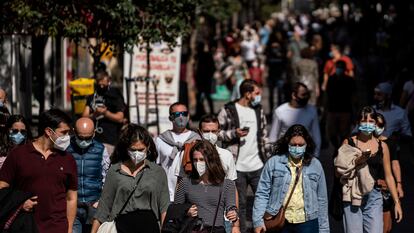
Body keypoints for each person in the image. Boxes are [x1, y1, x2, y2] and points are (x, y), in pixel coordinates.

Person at [0, 109, 77, 233]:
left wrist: (68, 229)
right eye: (64, 132)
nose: (67, 137)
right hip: (25, 226)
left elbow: (71, 197)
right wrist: (19, 203)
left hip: (57, 228)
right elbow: (2, 188)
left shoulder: (68, 159)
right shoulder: (18, 155)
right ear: (48, 131)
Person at [91, 124, 169, 233]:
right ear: (126, 148)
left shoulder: (157, 172)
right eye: (133, 150)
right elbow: (104, 207)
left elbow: (164, 208)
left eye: (141, 150)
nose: (137, 154)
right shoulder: (115, 171)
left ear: (148, 147)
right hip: (121, 227)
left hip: (149, 227)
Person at [253, 124, 329, 233]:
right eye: (293, 144)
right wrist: (258, 221)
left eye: (300, 145)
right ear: (287, 143)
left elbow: (322, 199)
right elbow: (262, 193)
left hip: (308, 222)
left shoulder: (315, 165)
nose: (297, 148)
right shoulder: (274, 162)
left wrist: (324, 229)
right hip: (280, 220)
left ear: (307, 144)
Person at [339, 106, 402, 233]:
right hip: (352, 195)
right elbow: (338, 171)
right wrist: (356, 162)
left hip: (374, 197)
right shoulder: (349, 142)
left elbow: (389, 175)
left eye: (371, 121)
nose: (367, 124)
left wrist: (396, 202)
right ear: (358, 122)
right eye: (363, 121)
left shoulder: (383, 146)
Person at [218, 79, 268, 232]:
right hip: (237, 167)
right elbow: (216, 132)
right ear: (247, 94)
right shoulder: (228, 110)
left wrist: (270, 155)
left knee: (262, 202)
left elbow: (264, 135)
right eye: (257, 93)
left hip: (258, 165)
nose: (260, 95)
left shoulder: (258, 110)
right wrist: (234, 134)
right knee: (241, 205)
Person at [174, 140, 240, 233]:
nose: (198, 163)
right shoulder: (185, 183)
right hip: (192, 229)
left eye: (202, 160)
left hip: (216, 229)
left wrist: (233, 214)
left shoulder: (227, 184)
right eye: (195, 160)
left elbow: (232, 207)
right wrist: (186, 211)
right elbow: (175, 211)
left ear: (211, 160)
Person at [66, 117, 110, 233]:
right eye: (80, 137)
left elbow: (107, 177)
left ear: (94, 133)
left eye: (88, 138)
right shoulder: (65, 148)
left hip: (94, 206)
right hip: (72, 206)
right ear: (74, 131)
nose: (84, 141)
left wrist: (101, 201)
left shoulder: (101, 149)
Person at [156, 102, 201, 201]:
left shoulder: (196, 140)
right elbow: (156, 167)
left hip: (190, 193)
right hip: (166, 193)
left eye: (184, 114)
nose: (181, 117)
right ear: (170, 118)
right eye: (177, 114)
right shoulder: (161, 140)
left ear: (188, 116)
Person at [269, 82, 321, 155]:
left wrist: (315, 155)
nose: (306, 97)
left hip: (305, 155)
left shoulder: (312, 111)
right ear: (294, 95)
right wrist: (273, 156)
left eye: (307, 94)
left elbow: (317, 136)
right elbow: (273, 137)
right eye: (303, 95)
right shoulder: (280, 111)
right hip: (284, 154)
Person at [82, 71, 125, 156]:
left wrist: (106, 113)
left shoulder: (114, 96)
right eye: (99, 83)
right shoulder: (92, 96)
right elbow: (84, 117)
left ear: (108, 82)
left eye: (103, 84)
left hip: (109, 139)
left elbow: (120, 118)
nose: (101, 86)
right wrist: (95, 114)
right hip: (93, 139)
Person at [374, 113, 404, 233]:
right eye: (375, 124)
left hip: (385, 188)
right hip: (369, 187)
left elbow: (395, 164)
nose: (377, 127)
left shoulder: (390, 144)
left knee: (386, 227)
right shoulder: (365, 144)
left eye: (380, 125)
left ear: (384, 127)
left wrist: (399, 184)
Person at [326, 60, 357, 150]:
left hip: (345, 110)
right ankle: (337, 147)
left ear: (344, 69)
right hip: (332, 109)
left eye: (340, 67)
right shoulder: (331, 79)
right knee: (332, 133)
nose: (338, 69)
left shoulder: (350, 80)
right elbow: (327, 94)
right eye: (337, 67)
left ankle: (340, 148)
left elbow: (354, 96)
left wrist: (354, 111)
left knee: (344, 133)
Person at [199, 114, 237, 181]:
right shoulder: (188, 153)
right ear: (200, 131)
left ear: (218, 132)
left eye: (213, 131)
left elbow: (231, 185)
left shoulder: (226, 155)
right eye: (206, 131)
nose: (210, 135)